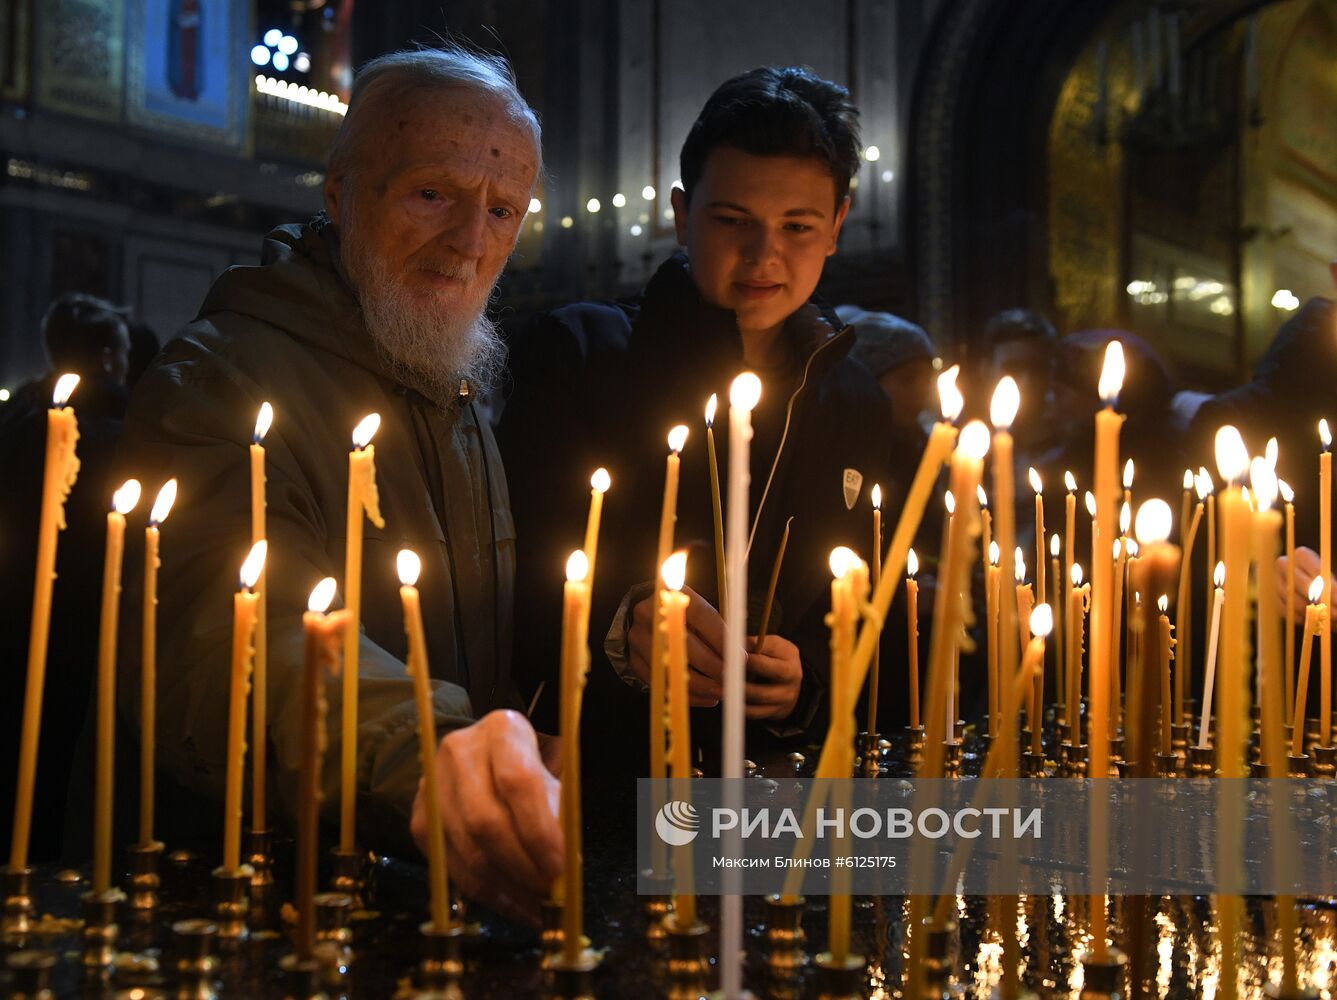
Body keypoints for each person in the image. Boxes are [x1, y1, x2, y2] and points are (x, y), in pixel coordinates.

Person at [116, 47, 559, 924]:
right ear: (339, 193)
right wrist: (425, 747)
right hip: (255, 904)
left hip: (422, 888)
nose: (471, 242)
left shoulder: (451, 387)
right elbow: (231, 630)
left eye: (502, 209)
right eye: (433, 193)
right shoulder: (217, 380)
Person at [498, 67, 894, 769]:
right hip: (604, 774)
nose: (763, 255)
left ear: (836, 225)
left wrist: (805, 680)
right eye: (732, 221)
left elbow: (868, 609)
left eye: (796, 226)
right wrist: (622, 628)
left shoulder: (855, 397)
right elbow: (510, 569)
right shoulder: (577, 353)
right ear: (683, 215)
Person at [0, 294, 132, 859]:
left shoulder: (13, 426)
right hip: (87, 637)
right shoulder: (122, 438)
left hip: (14, 629)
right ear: (107, 358)